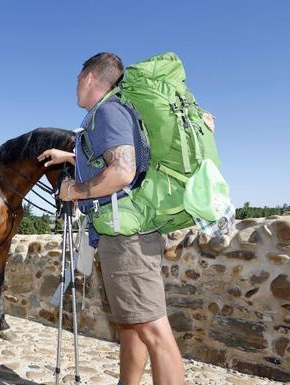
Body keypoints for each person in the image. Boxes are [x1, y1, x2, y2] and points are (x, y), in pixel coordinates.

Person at [38, 53, 184, 385]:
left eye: (78, 78)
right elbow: (109, 158)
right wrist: (71, 156)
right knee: (132, 325)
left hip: (126, 238)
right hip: (124, 232)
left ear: (89, 77)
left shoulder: (106, 111)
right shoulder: (109, 112)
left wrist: (72, 190)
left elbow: (122, 170)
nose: (75, 85)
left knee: (153, 330)